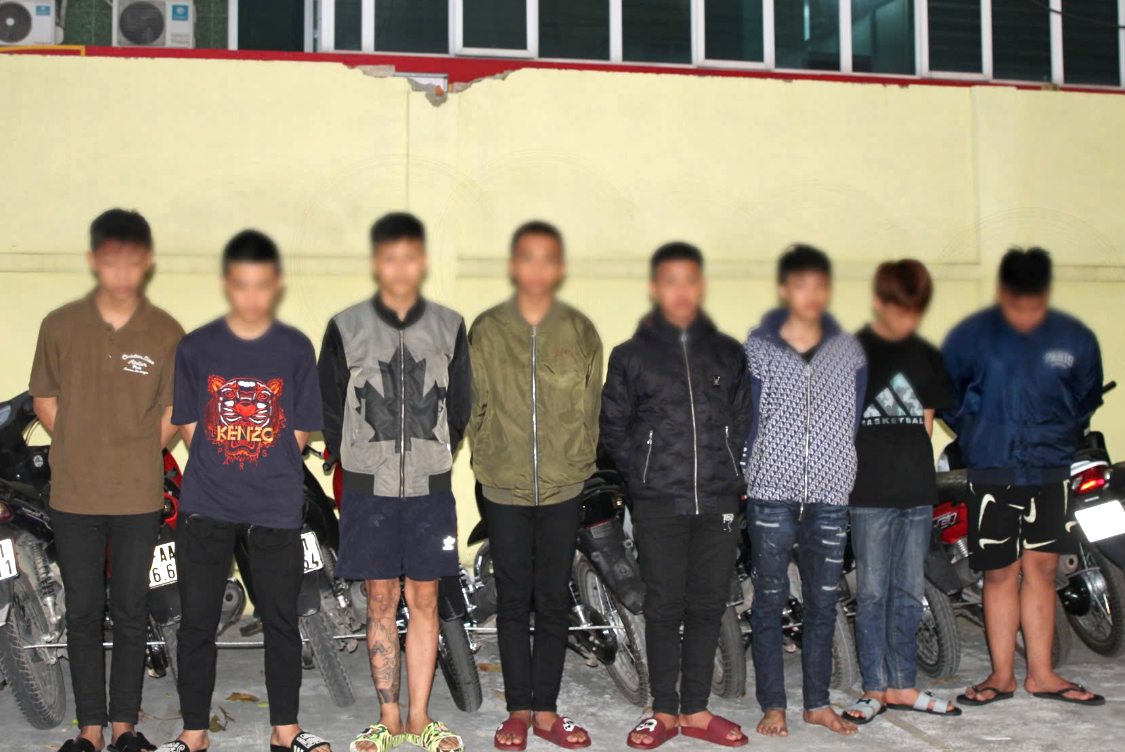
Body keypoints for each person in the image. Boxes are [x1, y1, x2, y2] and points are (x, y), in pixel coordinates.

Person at [162, 231, 331, 752]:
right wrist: (226, 461)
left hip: (274, 508)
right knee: (196, 625)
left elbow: (298, 429)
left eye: (261, 285)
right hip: (206, 507)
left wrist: (263, 465)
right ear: (227, 284)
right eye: (241, 285)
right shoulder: (196, 347)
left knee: (281, 622)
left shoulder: (295, 347)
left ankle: (286, 730)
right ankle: (194, 733)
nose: (251, 295)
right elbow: (189, 421)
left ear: (275, 285)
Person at [29, 209, 183, 752]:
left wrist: (139, 452)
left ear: (147, 263)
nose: (122, 272)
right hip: (74, 493)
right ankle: (89, 730)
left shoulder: (166, 331)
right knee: (83, 610)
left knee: (132, 608)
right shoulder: (59, 324)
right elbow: (44, 399)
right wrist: (79, 446)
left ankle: (124, 728)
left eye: (132, 261)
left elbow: (174, 408)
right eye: (111, 261)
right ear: (94, 261)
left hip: (138, 493)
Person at [318, 212, 469, 752]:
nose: (400, 267)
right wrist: (358, 462)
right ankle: (387, 718)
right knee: (380, 598)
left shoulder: (450, 326)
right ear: (376, 263)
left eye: (409, 257)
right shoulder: (345, 326)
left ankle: (420, 718)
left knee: (425, 599)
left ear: (421, 263)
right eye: (389, 257)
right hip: (369, 491)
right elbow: (331, 406)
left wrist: (433, 458)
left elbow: (460, 407)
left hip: (429, 490)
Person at [600, 243, 753, 749]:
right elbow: (613, 426)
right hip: (659, 501)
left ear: (701, 287)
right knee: (664, 607)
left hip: (718, 500)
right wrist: (644, 475)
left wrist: (730, 470)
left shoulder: (728, 352)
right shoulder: (630, 355)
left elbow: (744, 421)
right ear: (655, 289)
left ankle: (697, 711)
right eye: (671, 281)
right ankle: (664, 710)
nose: (681, 291)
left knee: (709, 604)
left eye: (690, 280)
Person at [942, 248, 1105, 709]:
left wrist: (1059, 433)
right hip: (993, 469)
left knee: (1044, 571)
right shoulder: (971, 336)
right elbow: (948, 394)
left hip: (1050, 469)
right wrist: (978, 434)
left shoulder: (1074, 337)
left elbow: (1086, 396)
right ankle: (1001, 676)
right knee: (999, 574)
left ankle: (1041, 674)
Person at [468, 221, 602, 750]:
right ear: (513, 266)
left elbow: (591, 407)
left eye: (548, 258)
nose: (538, 268)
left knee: (552, 599)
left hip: (564, 486)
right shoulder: (487, 330)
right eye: (528, 257)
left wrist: (577, 462)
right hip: (504, 487)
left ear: (559, 268)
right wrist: (489, 457)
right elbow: (474, 406)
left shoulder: (579, 330)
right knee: (512, 599)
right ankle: (517, 711)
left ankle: (545, 710)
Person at [742, 244, 867, 738]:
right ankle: (773, 704)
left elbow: (852, 419)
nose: (810, 294)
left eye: (818, 285)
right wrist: (752, 472)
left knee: (823, 601)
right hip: (772, 490)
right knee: (769, 600)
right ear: (784, 289)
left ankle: (817, 703)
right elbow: (749, 417)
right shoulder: (759, 347)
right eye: (800, 285)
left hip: (830, 493)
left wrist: (836, 467)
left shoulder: (850, 350)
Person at [841, 260, 960, 725]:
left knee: (909, 592)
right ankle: (874, 688)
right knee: (872, 594)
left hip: (915, 491)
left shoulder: (927, 354)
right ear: (879, 301)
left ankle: (903, 686)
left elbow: (927, 425)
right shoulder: (851, 353)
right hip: (868, 492)